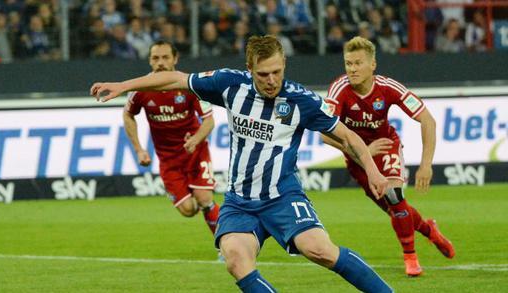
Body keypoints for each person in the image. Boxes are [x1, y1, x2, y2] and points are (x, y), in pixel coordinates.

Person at [92, 35, 393, 293]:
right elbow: (174, 78)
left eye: (277, 72)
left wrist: (373, 171)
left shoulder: (302, 101)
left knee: (319, 249)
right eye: (263, 74)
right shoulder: (229, 85)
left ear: (284, 65)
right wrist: (125, 86)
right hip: (239, 201)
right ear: (249, 69)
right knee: (236, 260)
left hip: (282, 196)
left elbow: (349, 137)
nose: (272, 80)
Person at [322, 36, 455, 277]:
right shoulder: (339, 90)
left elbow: (427, 120)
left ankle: (411, 259)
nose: (352, 69)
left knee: (394, 195)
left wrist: (426, 165)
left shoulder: (388, 87)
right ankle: (428, 229)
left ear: (373, 65)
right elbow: (324, 135)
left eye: (358, 63)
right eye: (348, 63)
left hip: (386, 147)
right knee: (395, 210)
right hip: (358, 160)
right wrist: (361, 151)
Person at [122, 40, 220, 240]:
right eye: (155, 58)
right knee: (188, 209)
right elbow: (128, 115)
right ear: (149, 61)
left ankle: (225, 245)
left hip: (195, 153)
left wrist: (196, 139)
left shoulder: (190, 85)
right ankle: (210, 213)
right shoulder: (140, 89)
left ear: (175, 59)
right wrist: (139, 149)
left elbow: (209, 121)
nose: (160, 63)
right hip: (168, 161)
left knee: (204, 198)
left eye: (165, 57)